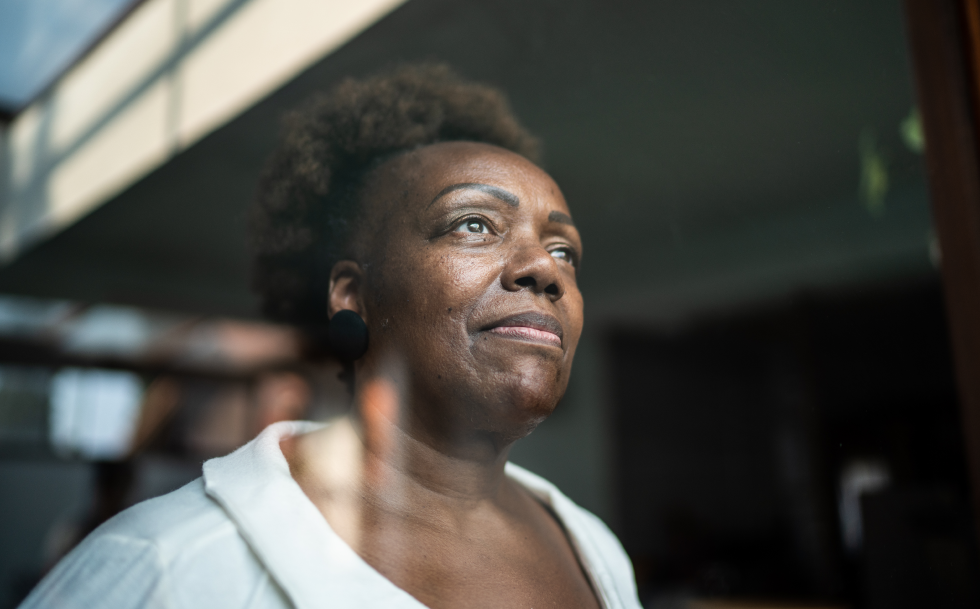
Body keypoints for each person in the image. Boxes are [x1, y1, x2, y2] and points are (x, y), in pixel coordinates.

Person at [20, 64, 642, 609]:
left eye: (565, 250)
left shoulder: (594, 547)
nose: (545, 268)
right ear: (352, 295)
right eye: (475, 224)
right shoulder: (168, 566)